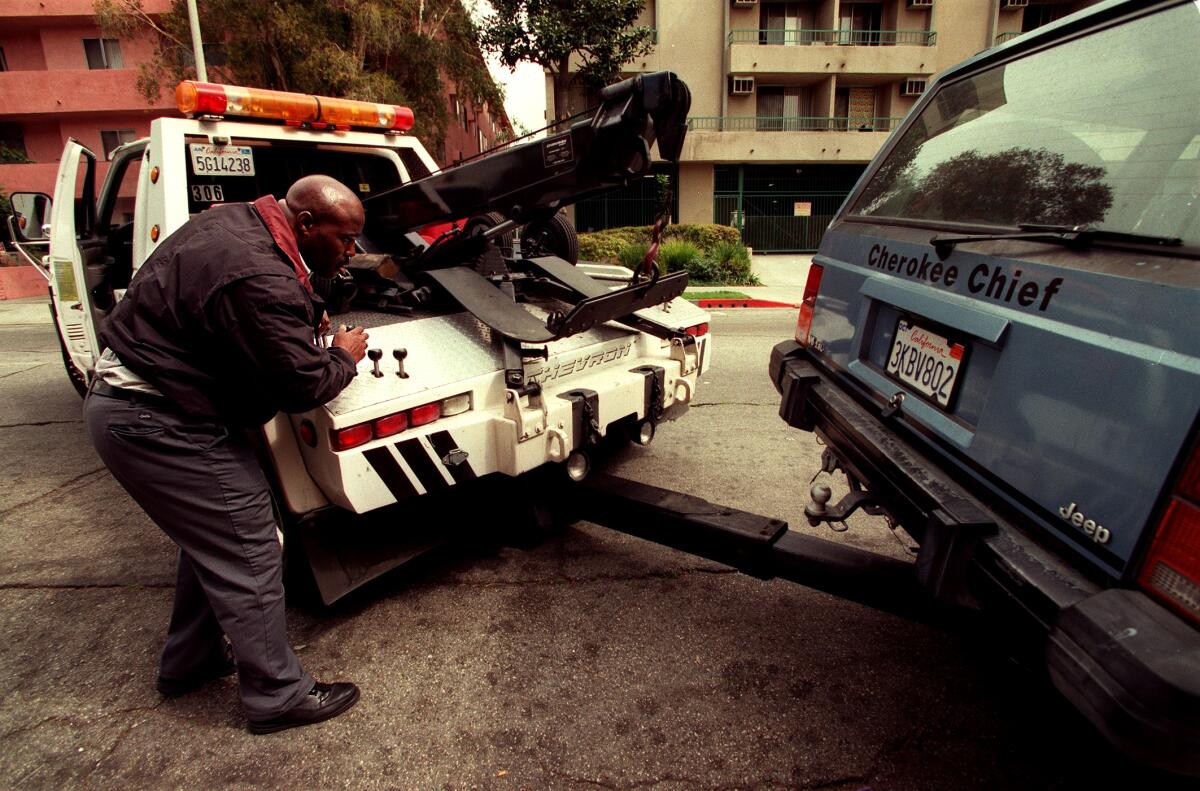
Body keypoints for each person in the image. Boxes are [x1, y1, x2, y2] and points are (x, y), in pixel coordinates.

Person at [83, 175, 370, 734]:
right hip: (159, 420)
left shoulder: (241, 221)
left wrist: (302, 316)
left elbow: (237, 312)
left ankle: (189, 662)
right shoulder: (259, 274)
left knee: (214, 540)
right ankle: (277, 695)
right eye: (345, 239)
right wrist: (343, 355)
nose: (353, 251)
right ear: (307, 224)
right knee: (251, 547)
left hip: (139, 405)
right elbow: (301, 385)